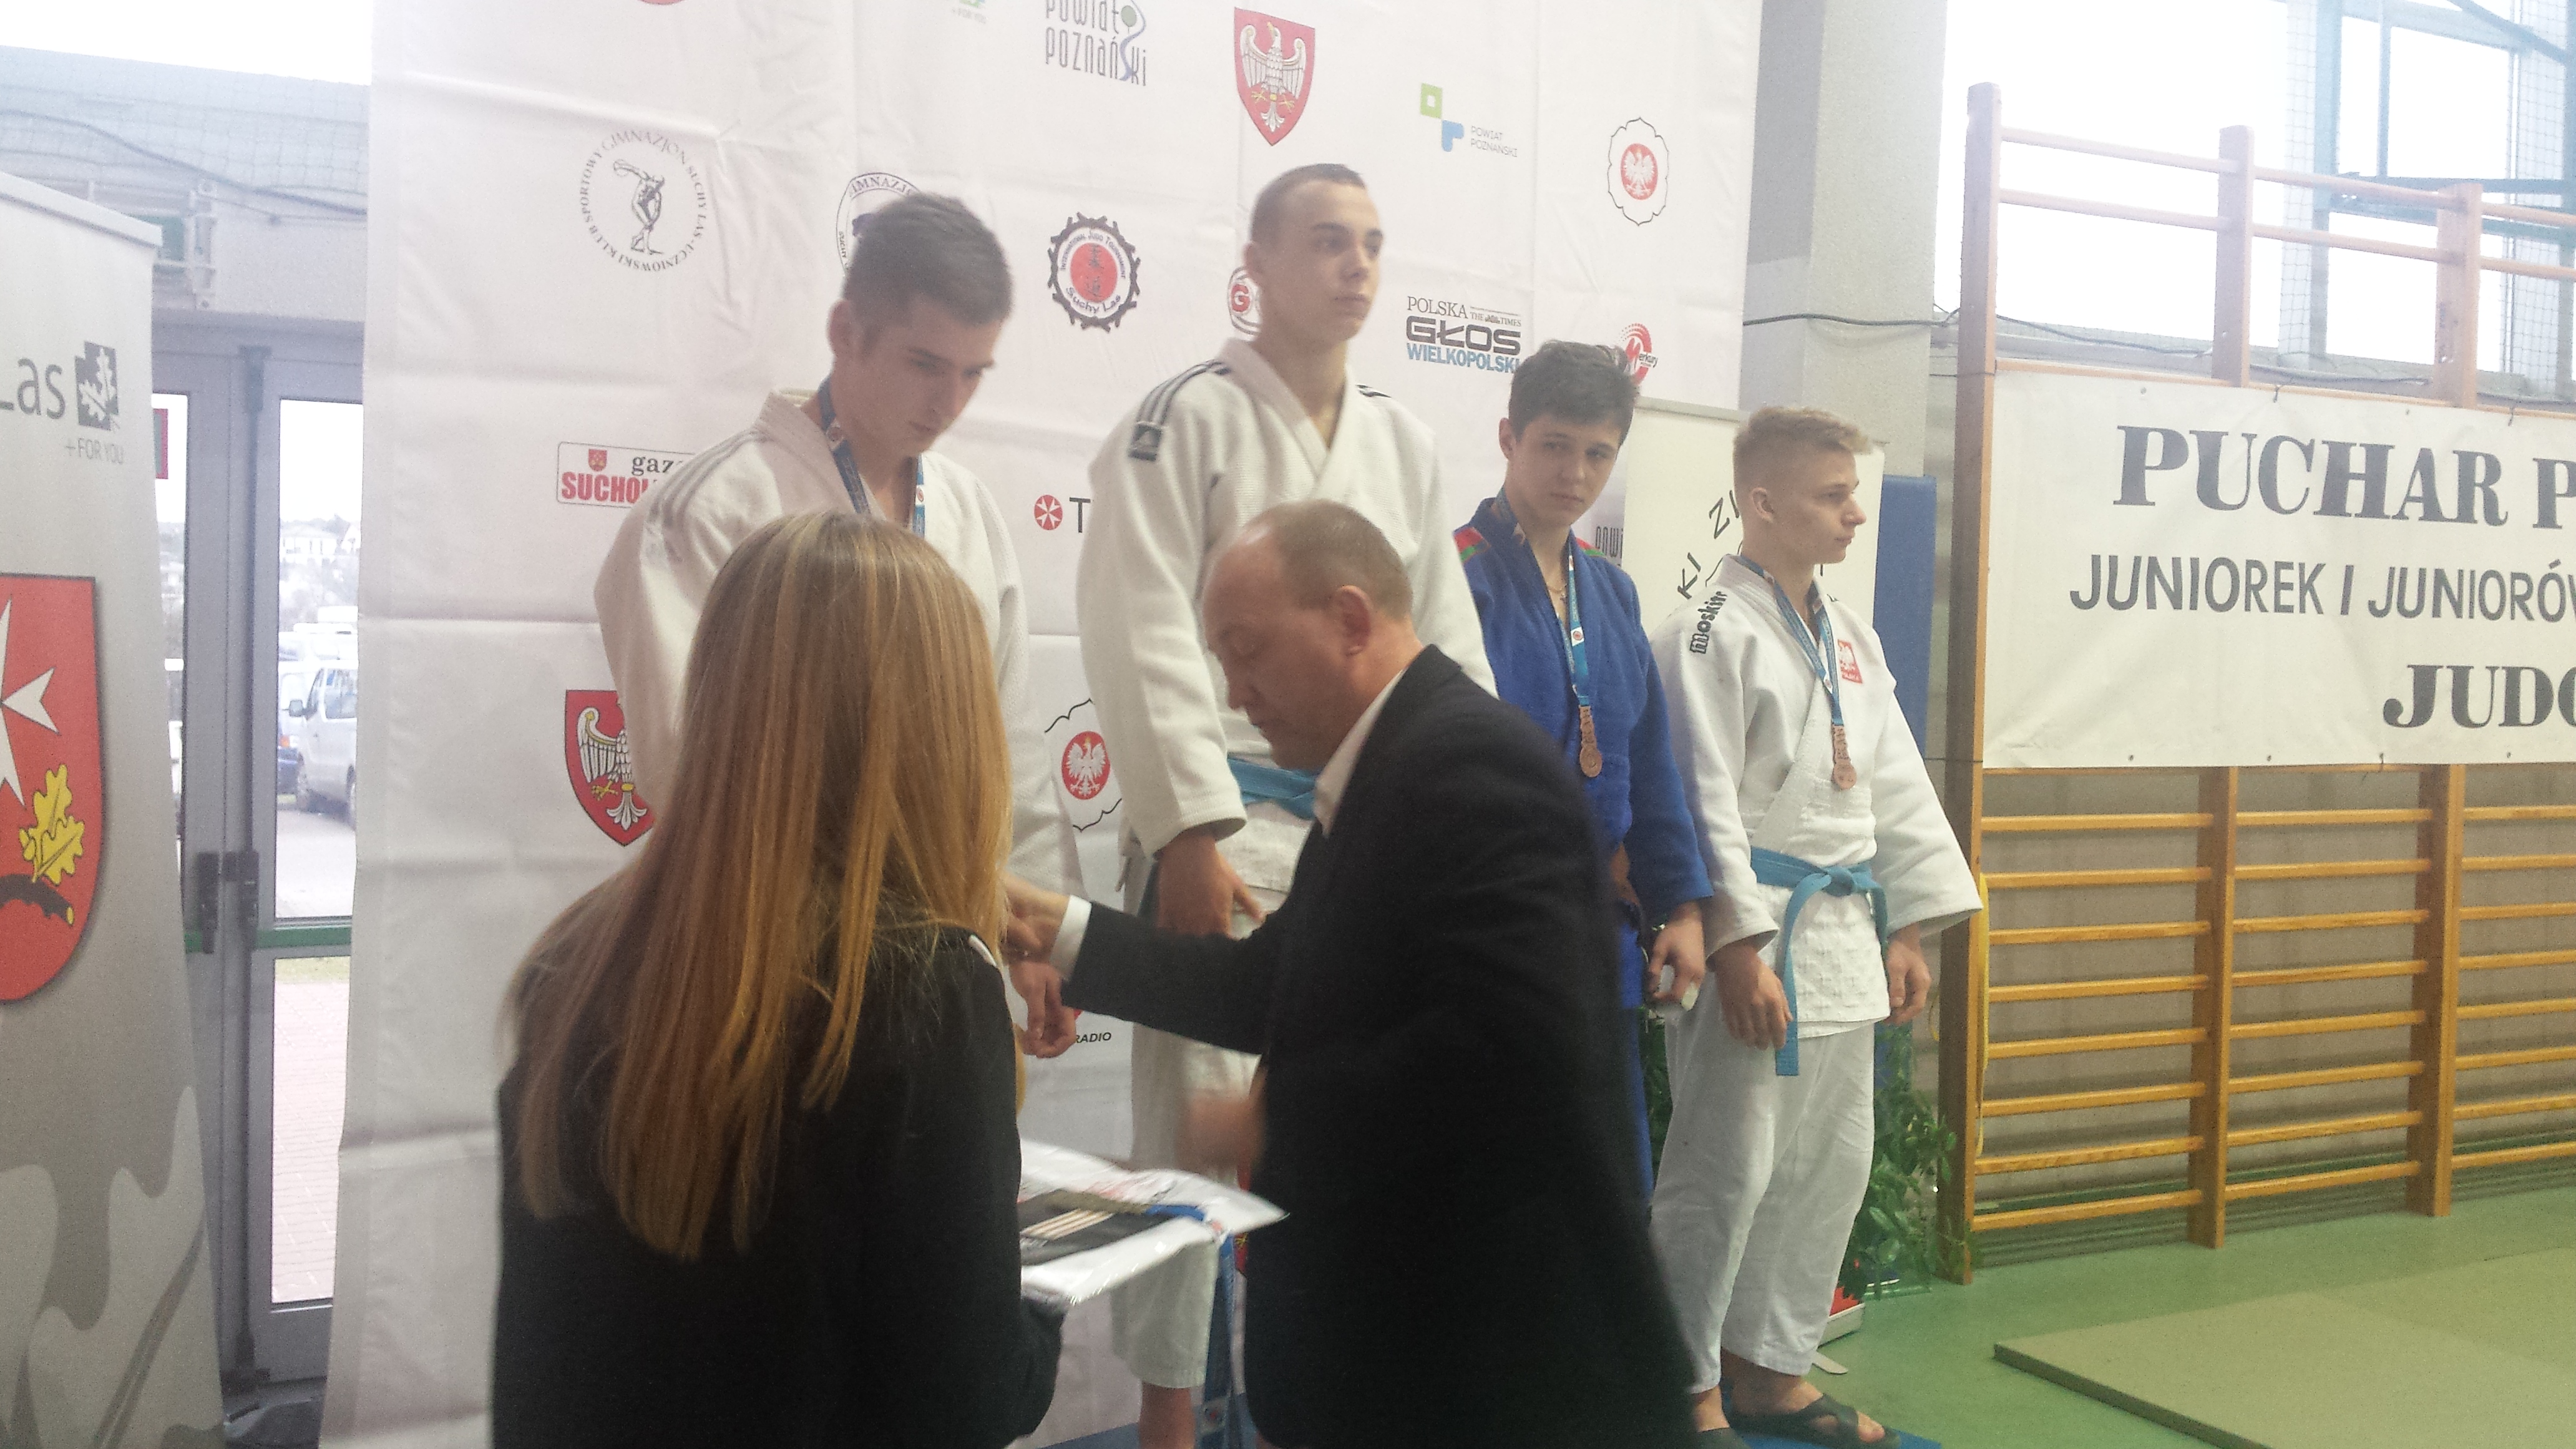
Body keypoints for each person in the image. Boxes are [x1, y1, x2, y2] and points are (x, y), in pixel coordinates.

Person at [1009, 502, 1695, 1449]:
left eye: (1248, 650)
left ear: (1349, 618)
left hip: (1493, 1374)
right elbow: (1264, 988)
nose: (1234, 692)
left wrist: (1280, 1114)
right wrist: (1057, 930)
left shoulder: (1472, 765)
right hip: (1420, 1360)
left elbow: (1516, 1050)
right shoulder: (1388, 767)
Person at [1072, 161, 1493, 1442]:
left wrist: (1466, 817)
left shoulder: (1403, 440)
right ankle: (1168, 1420)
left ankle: (1336, 1400)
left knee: (1344, 1119)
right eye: (1325, 240)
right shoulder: (1179, 420)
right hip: (1225, 828)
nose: (1356, 265)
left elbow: (1440, 644)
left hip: (1366, 833)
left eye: (1370, 243)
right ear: (1253, 262)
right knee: (1189, 1143)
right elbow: (1141, 624)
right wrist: (1188, 830)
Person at [493, 514, 1059, 1447]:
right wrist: (1040, 1307)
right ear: (944, 728)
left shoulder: (576, 958)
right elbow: (967, 1401)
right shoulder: (926, 990)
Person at [594, 191, 1080, 921]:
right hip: (771, 930)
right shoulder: (707, 513)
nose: (950, 401)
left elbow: (1008, 751)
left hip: (947, 930)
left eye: (973, 373)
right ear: (845, 331)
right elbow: (689, 772)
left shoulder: (968, 511)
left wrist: (1039, 920)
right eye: (925, 363)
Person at [1645, 407, 1981, 1448]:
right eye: (1833, 495)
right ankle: (1683, 1385)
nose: (1855, 513)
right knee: (1724, 1171)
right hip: (1759, 938)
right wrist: (1735, 945)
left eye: (1853, 493)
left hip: (1842, 934)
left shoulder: (1849, 634)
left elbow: (1893, 786)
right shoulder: (1707, 628)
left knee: (1830, 1166)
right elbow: (1697, 796)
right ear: (1763, 502)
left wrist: (1907, 927)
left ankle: (1770, 1369)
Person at [1453, 339, 1711, 1190]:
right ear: (1509, 438)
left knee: (1604, 1181)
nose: (1576, 473)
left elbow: (1648, 760)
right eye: (1554, 446)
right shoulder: (1456, 578)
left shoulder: (1612, 589)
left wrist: (1681, 905)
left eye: (1598, 453)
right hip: (1486, 930)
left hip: (1599, 932)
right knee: (1494, 1183)